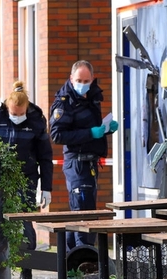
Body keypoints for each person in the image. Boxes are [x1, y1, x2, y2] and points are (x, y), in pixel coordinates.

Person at [0, 81, 53, 279]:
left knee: (25, 224)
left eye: (20, 113)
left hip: (26, 179)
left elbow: (45, 157)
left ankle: (26, 271)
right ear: (7, 107)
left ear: (26, 109)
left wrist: (46, 188)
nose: (17, 116)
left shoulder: (37, 122)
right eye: (13, 112)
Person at [50, 60, 119, 254]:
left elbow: (88, 128)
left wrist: (105, 130)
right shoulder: (64, 102)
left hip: (90, 162)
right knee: (83, 213)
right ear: (71, 79)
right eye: (79, 80)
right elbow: (57, 135)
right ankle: (84, 258)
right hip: (76, 163)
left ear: (92, 79)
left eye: (86, 80)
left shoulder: (92, 96)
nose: (83, 83)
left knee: (84, 210)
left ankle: (71, 259)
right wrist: (91, 133)